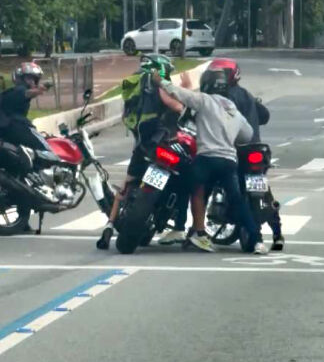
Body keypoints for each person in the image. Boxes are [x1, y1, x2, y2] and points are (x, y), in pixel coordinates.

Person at [152, 69, 269, 255]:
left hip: (206, 158)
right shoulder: (233, 110)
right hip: (229, 162)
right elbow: (247, 135)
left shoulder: (206, 101)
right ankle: (258, 241)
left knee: (190, 187)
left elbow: (182, 94)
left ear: (207, 85)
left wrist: (161, 82)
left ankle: (193, 231)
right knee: (238, 201)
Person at [97, 54, 186, 250]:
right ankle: (182, 224)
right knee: (186, 179)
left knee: (127, 184)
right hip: (162, 143)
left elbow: (126, 117)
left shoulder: (134, 89)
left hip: (143, 145)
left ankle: (110, 224)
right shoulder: (158, 87)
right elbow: (177, 107)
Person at [206, 58, 285, 249]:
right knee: (264, 189)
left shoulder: (220, 99)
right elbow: (265, 116)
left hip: (234, 150)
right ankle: (278, 233)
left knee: (210, 180)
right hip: (256, 148)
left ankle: (197, 229)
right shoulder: (246, 95)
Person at [0, 61, 54, 159]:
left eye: (34, 79)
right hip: (19, 127)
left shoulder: (7, 93)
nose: (32, 82)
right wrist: (40, 89)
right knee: (48, 151)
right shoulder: (19, 90)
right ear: (19, 79)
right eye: (29, 78)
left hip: (6, 131)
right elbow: (27, 93)